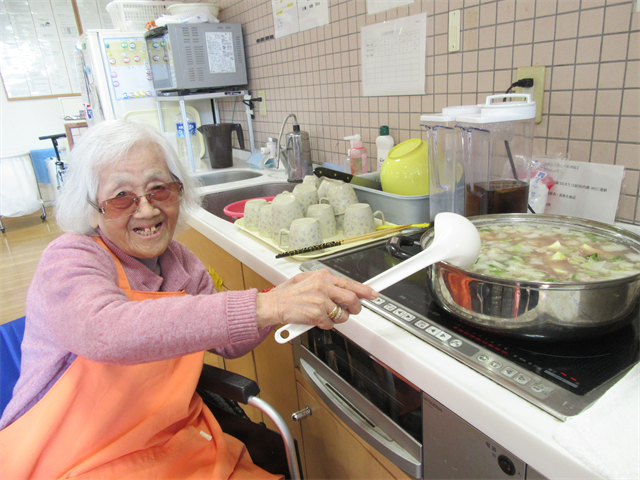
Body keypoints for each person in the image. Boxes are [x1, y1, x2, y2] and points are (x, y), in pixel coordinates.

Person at [0, 120, 377, 479]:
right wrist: (268, 306)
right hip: (70, 457)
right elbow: (106, 331)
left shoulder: (179, 261)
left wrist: (282, 298)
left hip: (168, 440)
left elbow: (227, 341)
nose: (146, 209)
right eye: (121, 197)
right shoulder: (70, 258)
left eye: (159, 189)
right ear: (92, 209)